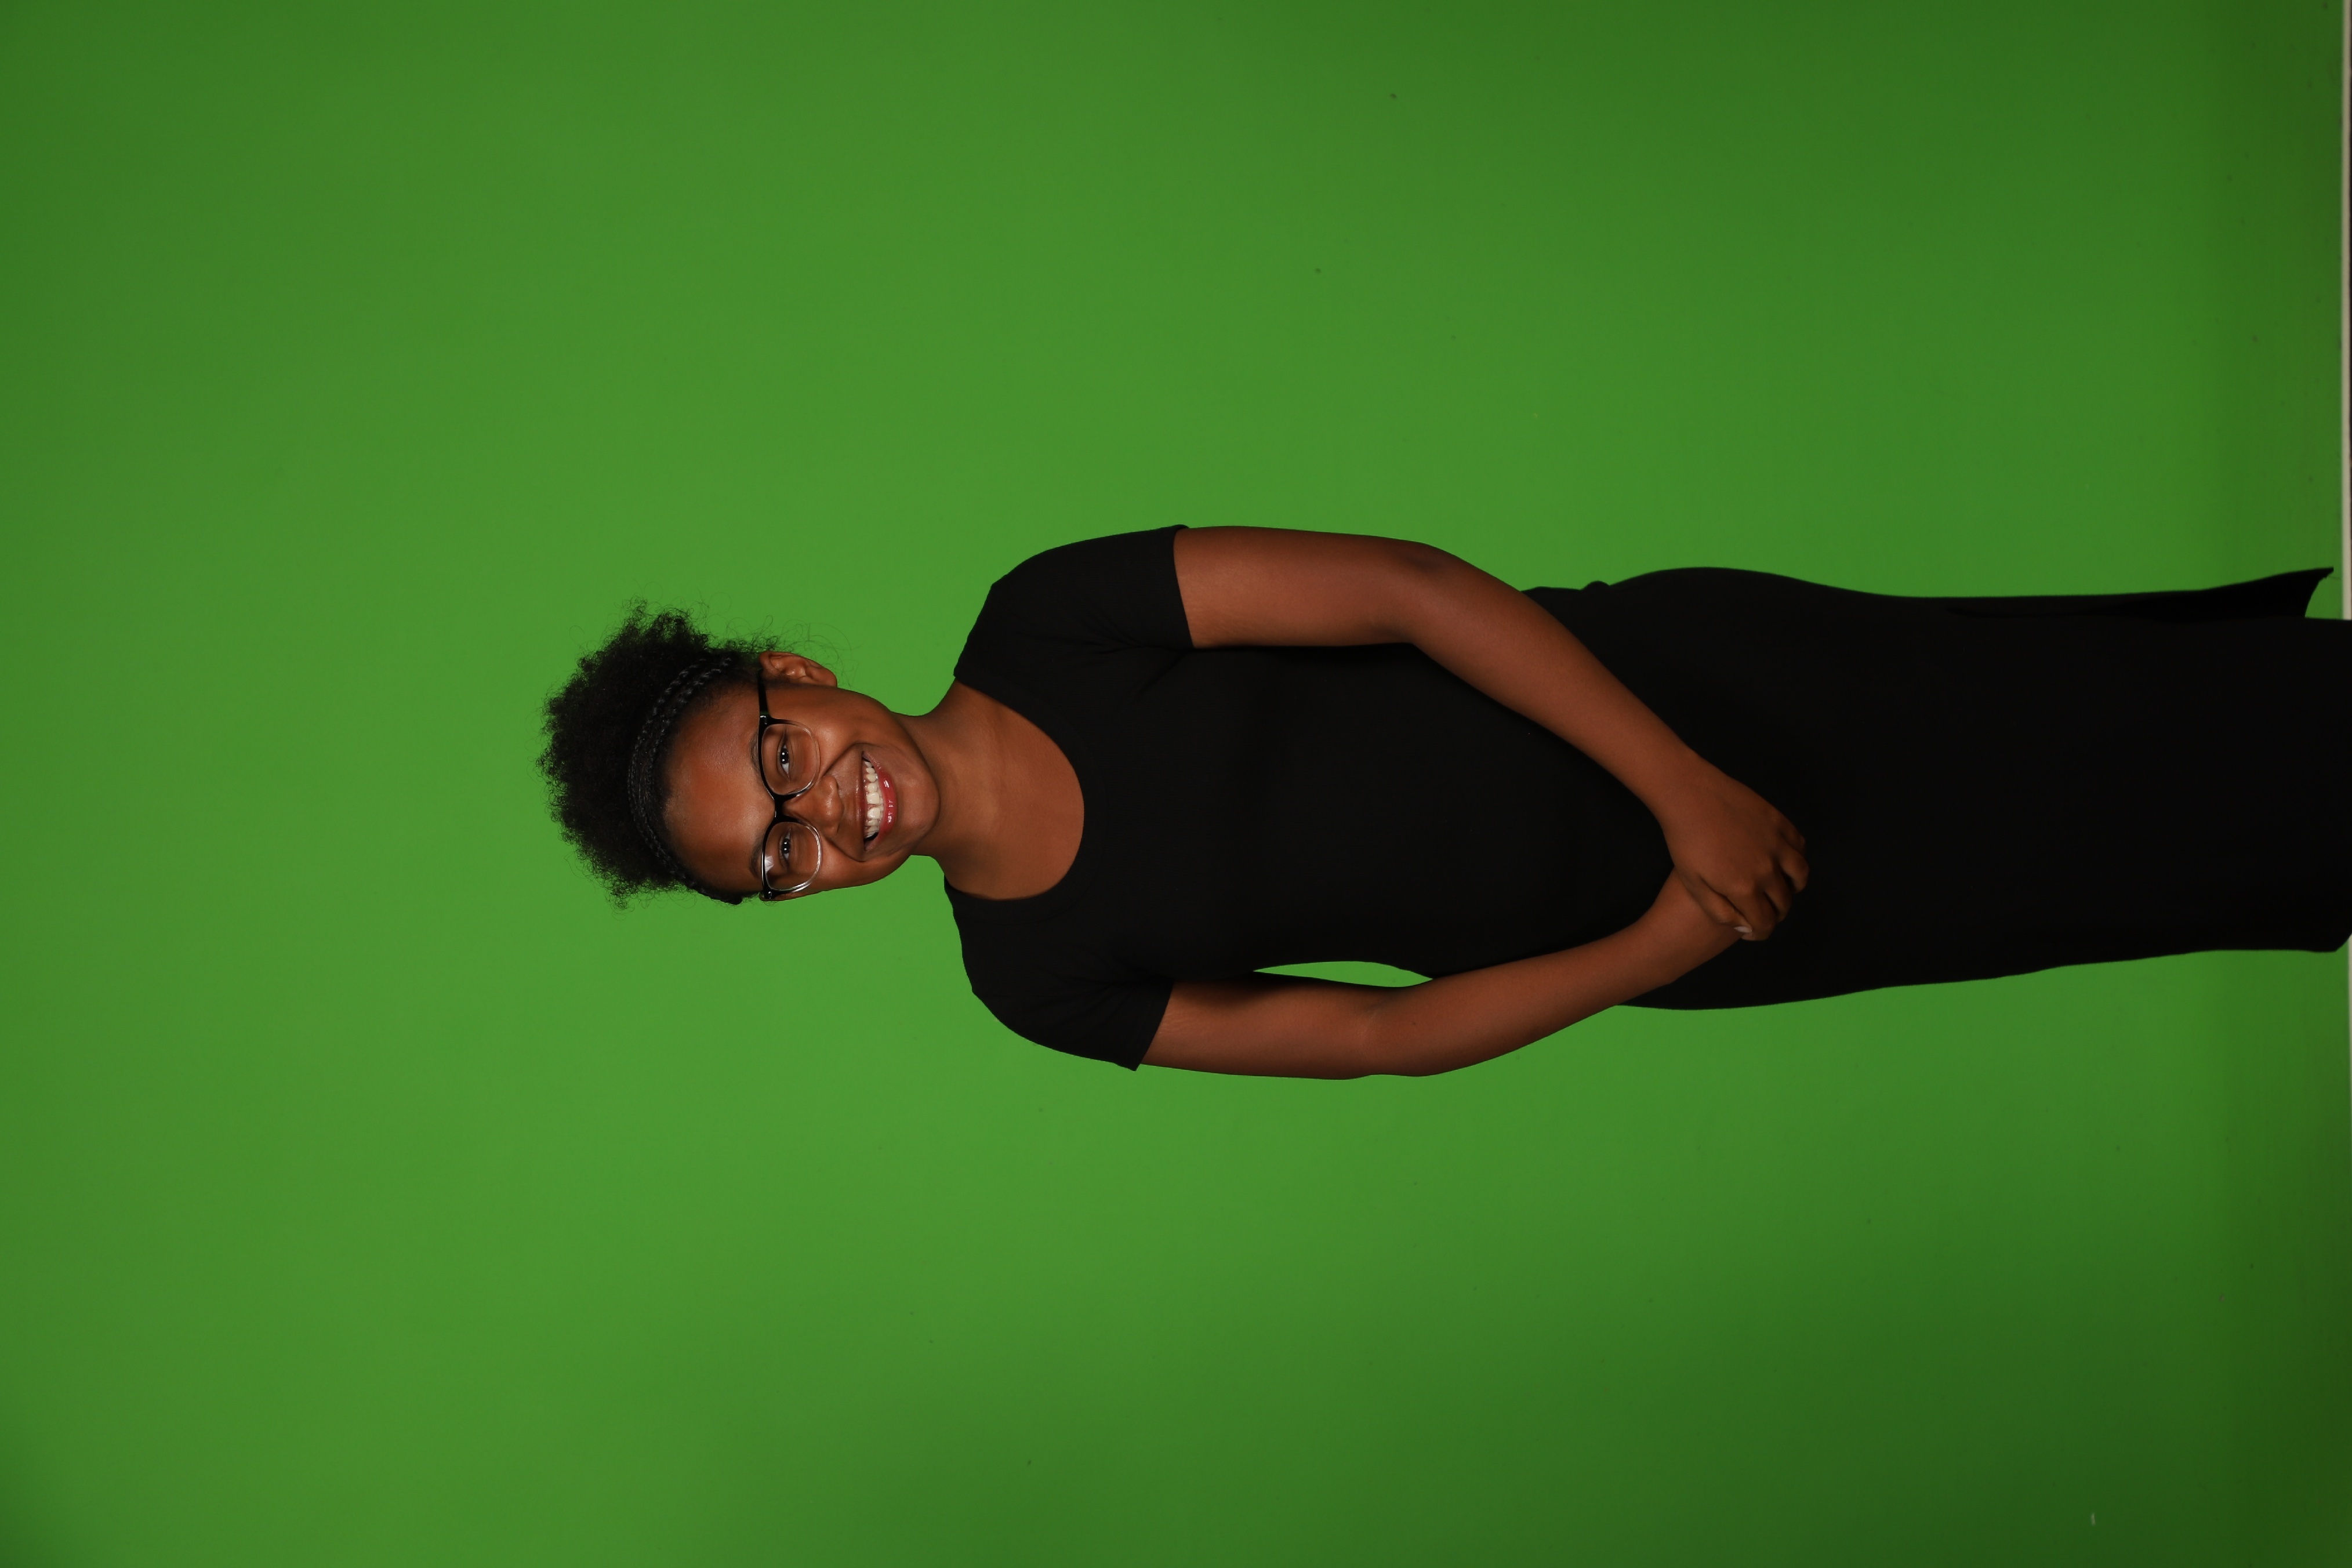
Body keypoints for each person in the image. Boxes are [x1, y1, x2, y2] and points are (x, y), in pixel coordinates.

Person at [538, 527, 2351, 1077]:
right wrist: (1664, 938)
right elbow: (1371, 1039)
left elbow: (1410, 594)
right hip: (1679, 927)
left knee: (2096, 714)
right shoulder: (1033, 977)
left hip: (1692, 702)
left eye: (780, 760)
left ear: (796, 671)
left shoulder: (1049, 620)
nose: (825, 817)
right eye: (778, 859)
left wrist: (1685, 789)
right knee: (2087, 881)